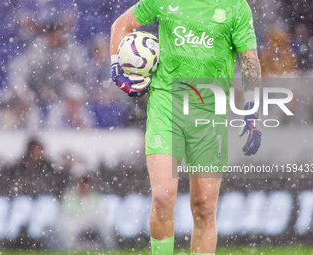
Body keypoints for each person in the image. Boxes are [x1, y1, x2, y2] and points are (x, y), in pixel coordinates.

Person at [110, 0, 262, 254]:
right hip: (166, 105)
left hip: (209, 114)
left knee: (204, 206)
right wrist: (117, 68)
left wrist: (252, 110)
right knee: (163, 196)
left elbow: (250, 61)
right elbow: (121, 24)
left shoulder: (236, 7)